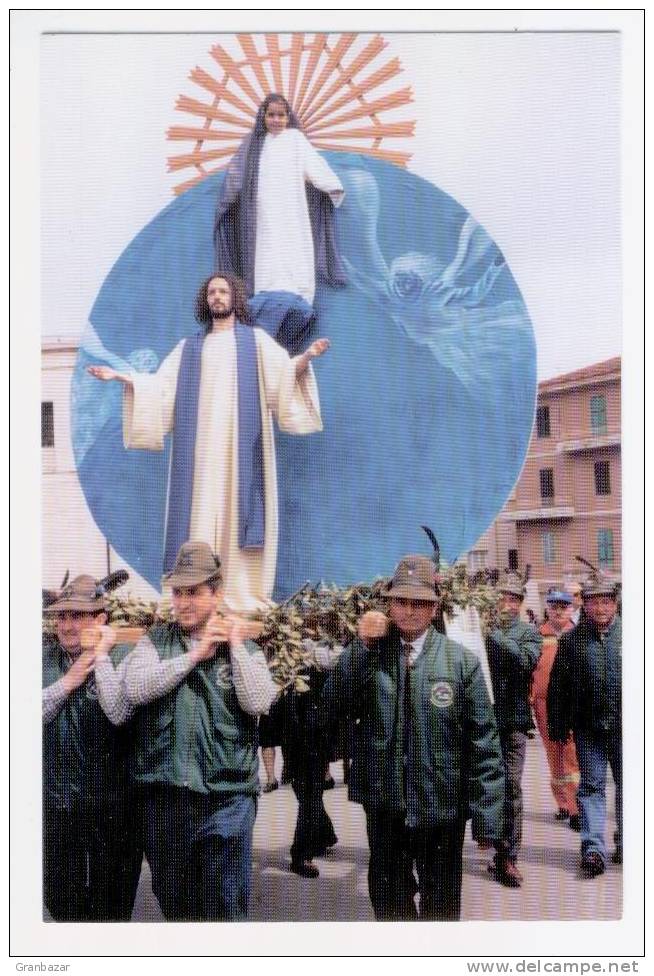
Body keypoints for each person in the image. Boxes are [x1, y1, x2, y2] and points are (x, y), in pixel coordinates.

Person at [87, 273, 329, 612]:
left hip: (242, 448)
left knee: (238, 507)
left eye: (224, 291)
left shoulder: (256, 341)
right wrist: (124, 378)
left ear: (235, 298)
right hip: (199, 450)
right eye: (212, 292)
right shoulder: (190, 347)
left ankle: (239, 591)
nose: (217, 296)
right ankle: (197, 593)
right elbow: (161, 387)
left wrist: (304, 360)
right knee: (198, 512)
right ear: (205, 300)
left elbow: (284, 376)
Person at [99, 541, 278, 921]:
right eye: (178, 593)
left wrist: (233, 644)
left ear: (217, 594)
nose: (183, 603)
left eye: (193, 593)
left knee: (225, 909)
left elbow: (259, 700)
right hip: (165, 801)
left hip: (226, 799)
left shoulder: (245, 646)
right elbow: (136, 688)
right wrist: (192, 658)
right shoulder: (154, 642)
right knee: (177, 906)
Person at [321, 555, 504, 920]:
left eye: (419, 603)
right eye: (401, 601)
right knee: (389, 902)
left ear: (435, 607)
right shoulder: (369, 655)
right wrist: (360, 646)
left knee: (441, 906)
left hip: (442, 808)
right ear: (388, 604)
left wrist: (488, 819)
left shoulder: (460, 662)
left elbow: (484, 743)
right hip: (386, 805)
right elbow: (330, 704)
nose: (409, 611)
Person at [42, 575, 142, 921]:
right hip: (59, 803)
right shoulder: (42, 661)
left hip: (113, 808)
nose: (66, 626)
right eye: (62, 616)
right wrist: (68, 682)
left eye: (77, 616)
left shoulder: (125, 656)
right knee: (58, 898)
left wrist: (98, 657)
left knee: (111, 908)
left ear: (100, 619)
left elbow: (120, 712)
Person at [214, 92, 346, 305]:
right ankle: (267, 295)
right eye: (271, 115)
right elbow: (236, 174)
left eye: (281, 115)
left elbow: (314, 165)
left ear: (288, 117)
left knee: (294, 248)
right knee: (266, 253)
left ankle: (298, 296)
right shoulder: (254, 143)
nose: (276, 120)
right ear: (263, 116)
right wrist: (227, 201)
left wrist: (333, 186)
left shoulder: (295, 139)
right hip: (262, 212)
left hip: (292, 208)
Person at [547, 574, 622, 878]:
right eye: (594, 602)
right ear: (585, 606)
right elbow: (558, 686)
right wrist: (558, 724)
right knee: (591, 787)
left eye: (606, 601)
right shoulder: (571, 641)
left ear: (615, 604)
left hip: (627, 727)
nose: (601, 608)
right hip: (587, 726)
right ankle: (593, 849)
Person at [485, 574, 542, 888]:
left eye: (514, 599)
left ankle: (508, 856)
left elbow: (525, 661)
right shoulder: (479, 627)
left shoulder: (529, 632)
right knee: (477, 785)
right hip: (481, 720)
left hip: (513, 722)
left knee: (511, 788)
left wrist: (495, 636)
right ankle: (488, 837)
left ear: (520, 603)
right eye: (502, 598)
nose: (507, 604)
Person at [530, 590, 580, 829]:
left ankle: (576, 807)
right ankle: (562, 803)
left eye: (564, 606)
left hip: (573, 705)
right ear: (547, 609)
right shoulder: (538, 637)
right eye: (554, 606)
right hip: (545, 706)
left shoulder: (580, 635)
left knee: (573, 755)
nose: (559, 611)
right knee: (553, 754)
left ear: (572, 609)